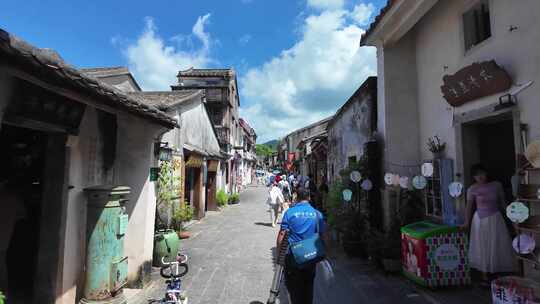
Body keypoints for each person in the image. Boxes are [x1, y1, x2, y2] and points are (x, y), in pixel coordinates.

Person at [463, 164, 516, 284]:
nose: (480, 176)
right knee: (482, 245)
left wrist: (513, 218)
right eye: (477, 175)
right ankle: (484, 274)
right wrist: (466, 222)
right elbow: (469, 207)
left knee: (496, 244)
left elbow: (503, 203)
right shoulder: (472, 189)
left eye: (482, 173)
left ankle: (497, 271)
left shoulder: (496, 185)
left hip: (495, 218)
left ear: (487, 173)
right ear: (473, 177)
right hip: (480, 220)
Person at [276, 188, 327, 304]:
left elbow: (282, 234)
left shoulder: (290, 212)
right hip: (311, 256)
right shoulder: (317, 214)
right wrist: (326, 251)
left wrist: (279, 254)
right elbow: (324, 235)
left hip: (293, 258)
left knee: (294, 290)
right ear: (309, 198)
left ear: (296, 198)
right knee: (308, 287)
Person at [0, 177, 26, 296]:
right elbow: (23, 215)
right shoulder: (14, 199)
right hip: (5, 236)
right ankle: (3, 291)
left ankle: (3, 291)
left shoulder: (9, 199)